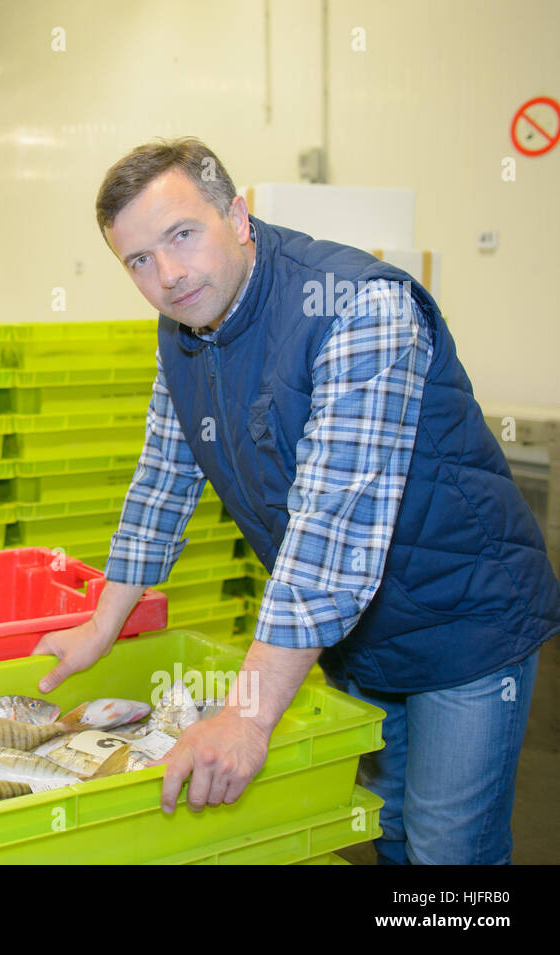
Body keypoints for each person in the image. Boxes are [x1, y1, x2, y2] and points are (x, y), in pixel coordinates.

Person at [32, 136, 560, 864]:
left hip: (464, 620)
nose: (169, 275)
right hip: (359, 635)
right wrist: (102, 624)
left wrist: (247, 717)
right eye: (140, 261)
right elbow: (163, 477)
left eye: (181, 235)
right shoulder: (187, 330)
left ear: (238, 217)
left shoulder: (358, 307)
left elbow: (330, 533)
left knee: (448, 849)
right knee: (391, 826)